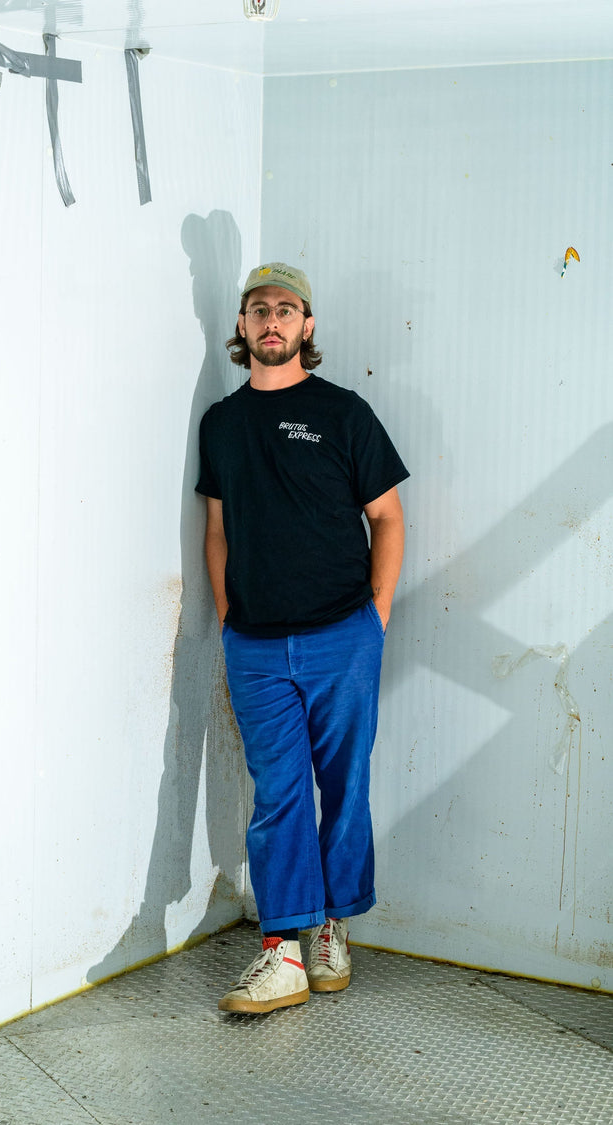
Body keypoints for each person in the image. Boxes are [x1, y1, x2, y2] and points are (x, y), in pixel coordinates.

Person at [196, 262, 409, 1014]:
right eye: (259, 309)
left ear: (307, 326)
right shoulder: (221, 422)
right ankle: (281, 951)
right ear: (244, 327)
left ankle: (331, 924)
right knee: (278, 795)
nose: (273, 320)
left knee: (344, 786)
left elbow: (386, 516)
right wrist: (227, 611)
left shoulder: (344, 412)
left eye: (287, 309)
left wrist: (375, 615)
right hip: (254, 645)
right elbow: (217, 527)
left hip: (341, 635)